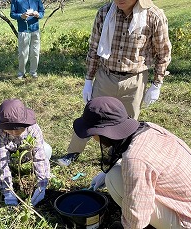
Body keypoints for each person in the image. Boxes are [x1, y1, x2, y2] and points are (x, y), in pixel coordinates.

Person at [57, 0, 171, 166]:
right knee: (91, 115)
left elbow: (163, 52)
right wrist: (89, 79)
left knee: (127, 123)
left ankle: (115, 156)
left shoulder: (153, 16)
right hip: (106, 75)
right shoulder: (104, 13)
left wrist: (157, 83)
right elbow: (94, 48)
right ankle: (73, 152)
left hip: (135, 80)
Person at [73, 96, 191, 228]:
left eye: (92, 133)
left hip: (188, 219)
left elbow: (137, 217)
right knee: (115, 173)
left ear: (103, 132)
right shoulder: (148, 127)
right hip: (189, 202)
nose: (92, 138)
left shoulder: (135, 159)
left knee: (113, 178)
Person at [0, 99, 51, 206]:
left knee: (46, 150)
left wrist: (41, 187)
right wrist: (8, 192)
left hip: (23, 153)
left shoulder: (33, 128)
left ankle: (31, 172)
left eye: (18, 129)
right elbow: (1, 161)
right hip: (5, 154)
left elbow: (40, 157)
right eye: (10, 130)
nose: (14, 133)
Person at [10, 0, 44, 79]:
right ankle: (21, 73)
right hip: (23, 30)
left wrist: (38, 15)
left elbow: (42, 12)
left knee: (35, 52)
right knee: (22, 54)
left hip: (35, 30)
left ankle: (33, 72)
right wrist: (21, 16)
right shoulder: (16, 0)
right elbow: (12, 14)